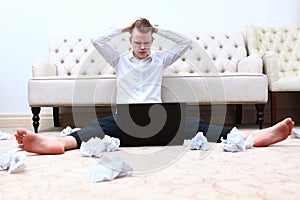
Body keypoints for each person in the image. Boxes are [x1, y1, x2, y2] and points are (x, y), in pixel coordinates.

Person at [15, 18, 295, 155]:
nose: (141, 48)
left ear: (152, 42)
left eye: (146, 43)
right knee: (93, 129)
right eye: (137, 43)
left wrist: (159, 31)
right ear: (130, 41)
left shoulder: (160, 58)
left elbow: (185, 43)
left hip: (160, 121)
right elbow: (97, 42)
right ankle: (53, 143)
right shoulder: (120, 59)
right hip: (123, 121)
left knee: (198, 124)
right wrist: (125, 28)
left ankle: (254, 138)